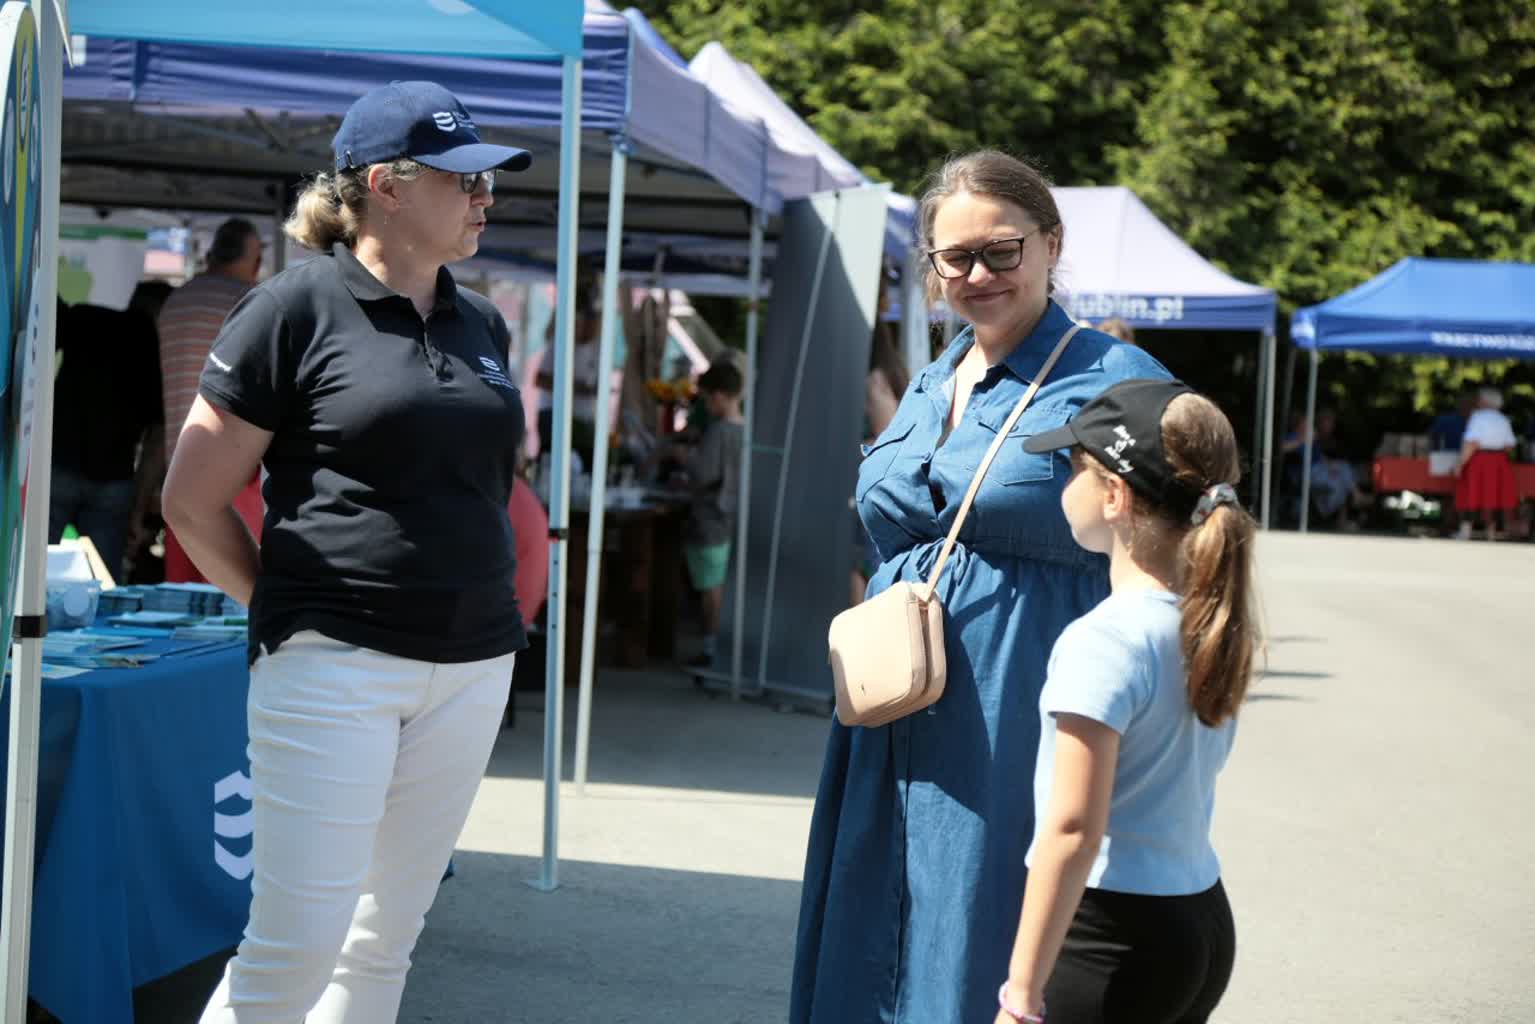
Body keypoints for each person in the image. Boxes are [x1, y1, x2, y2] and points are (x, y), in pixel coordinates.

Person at [163, 81, 533, 1023]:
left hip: (472, 664)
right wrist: (288, 607)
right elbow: (190, 501)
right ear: (386, 187)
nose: (485, 197)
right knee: (297, 945)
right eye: (465, 179)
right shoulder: (291, 308)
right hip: (334, 665)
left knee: (382, 942)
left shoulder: (481, 319)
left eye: (489, 181)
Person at [790, 149, 1173, 1023]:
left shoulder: (1117, 381)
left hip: (1022, 707)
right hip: (894, 707)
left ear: (1050, 244)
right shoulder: (934, 377)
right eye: (954, 257)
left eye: (1001, 251)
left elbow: (1187, 546)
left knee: (984, 927)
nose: (977, 275)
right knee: (879, 921)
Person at [994, 378, 1253, 1024]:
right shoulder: (1207, 622)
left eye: (1071, 468)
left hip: (1111, 935)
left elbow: (1072, 832)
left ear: (1113, 495)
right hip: (1197, 918)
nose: (1063, 486)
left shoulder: (1104, 641)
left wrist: (1019, 994)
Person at [157, 216, 264, 582]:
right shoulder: (250, 302)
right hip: (236, 473)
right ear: (253, 259)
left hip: (180, 469)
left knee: (183, 598)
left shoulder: (177, 300)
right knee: (234, 599)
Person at [48, 282, 167, 579]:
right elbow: (157, 435)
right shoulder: (155, 348)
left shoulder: (87, 318)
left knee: (36, 568)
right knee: (101, 580)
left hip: (59, 462)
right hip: (114, 476)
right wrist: (138, 507)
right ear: (161, 313)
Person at [678, 360, 745, 668]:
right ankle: (719, 648)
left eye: (706, 398)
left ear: (718, 396)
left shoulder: (718, 432)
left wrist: (684, 456)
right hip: (733, 518)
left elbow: (703, 473)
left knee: (710, 589)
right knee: (723, 586)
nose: (705, 405)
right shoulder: (746, 430)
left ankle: (710, 649)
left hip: (710, 519)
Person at [1455, 387, 1519, 540]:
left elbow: (1472, 442)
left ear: (1484, 401)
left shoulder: (1477, 417)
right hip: (1499, 459)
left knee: (1471, 493)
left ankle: (1466, 531)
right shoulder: (1503, 419)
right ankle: (1491, 532)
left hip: (1479, 459)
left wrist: (1460, 463)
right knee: (1494, 495)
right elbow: (1509, 445)